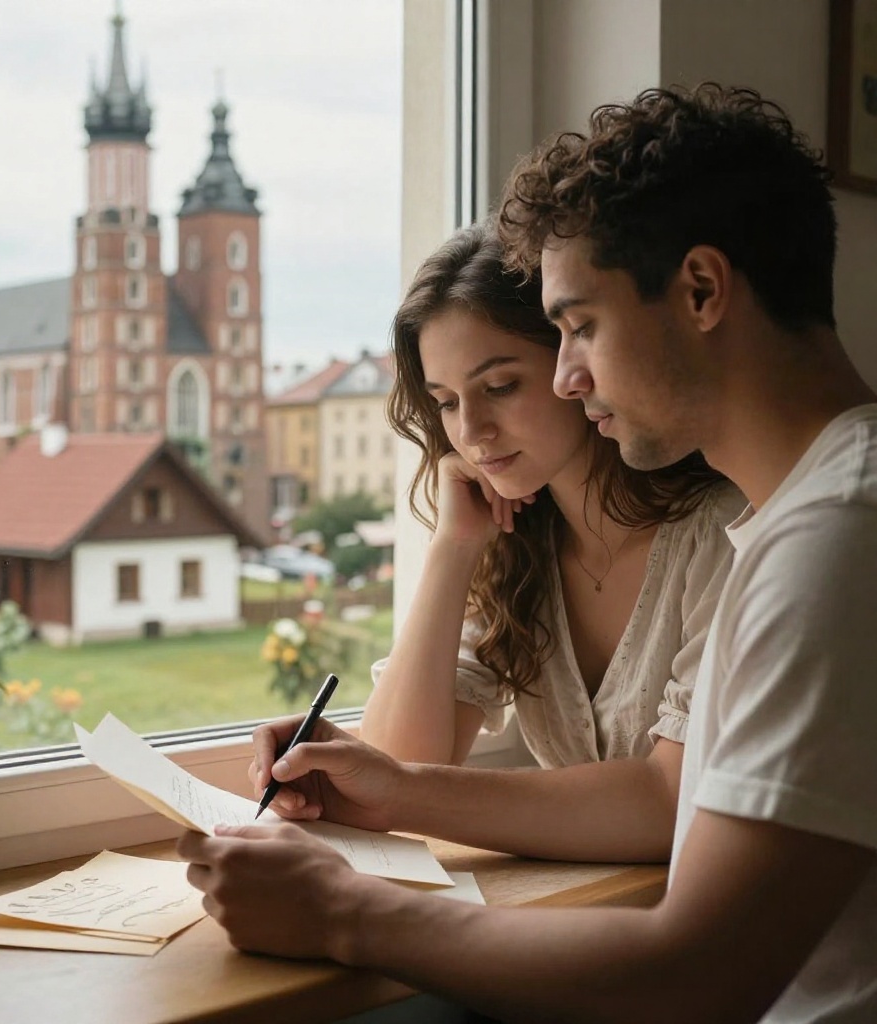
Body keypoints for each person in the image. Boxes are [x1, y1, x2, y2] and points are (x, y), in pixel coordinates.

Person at [179, 84, 877, 1024]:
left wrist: (343, 911)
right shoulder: (807, 519)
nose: (566, 373)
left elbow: (701, 972)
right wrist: (394, 788)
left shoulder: (834, 538)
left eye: (580, 325)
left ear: (703, 291)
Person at [360, 220, 741, 770]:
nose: (470, 431)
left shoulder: (721, 533)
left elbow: (678, 799)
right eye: (446, 402)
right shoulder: (514, 553)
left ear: (573, 365)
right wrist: (453, 547)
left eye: (500, 387)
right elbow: (394, 764)